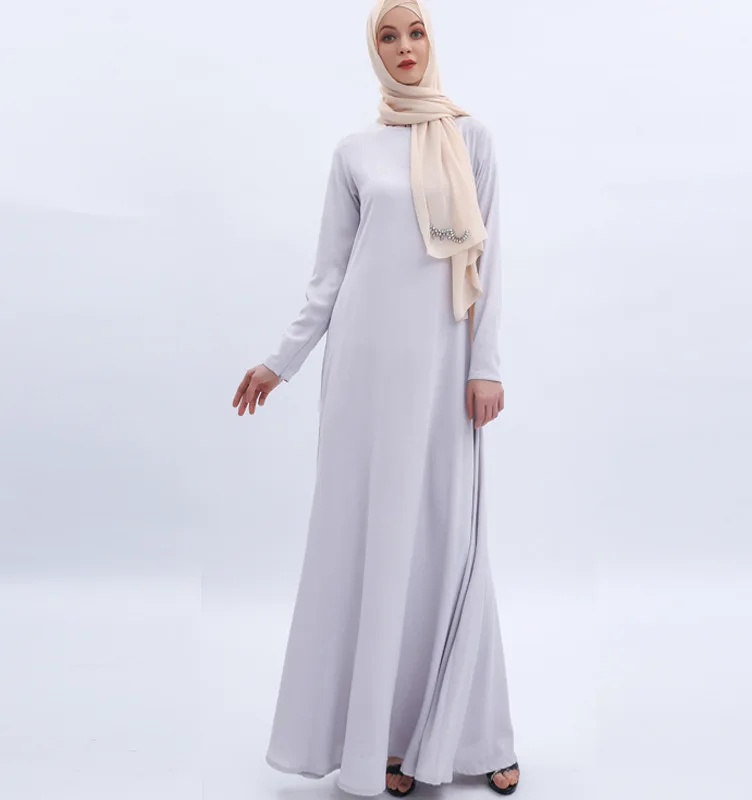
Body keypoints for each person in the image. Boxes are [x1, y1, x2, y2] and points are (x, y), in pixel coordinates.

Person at [231, 1, 520, 796]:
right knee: (378, 543)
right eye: (387, 36)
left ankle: (479, 734)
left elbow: (490, 262)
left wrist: (486, 365)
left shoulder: (472, 138)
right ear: (375, 51)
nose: (403, 47)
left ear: (431, 40)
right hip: (362, 372)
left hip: (445, 368)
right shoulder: (355, 152)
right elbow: (329, 277)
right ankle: (386, 741)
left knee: (451, 539)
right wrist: (280, 362)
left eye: (414, 31)